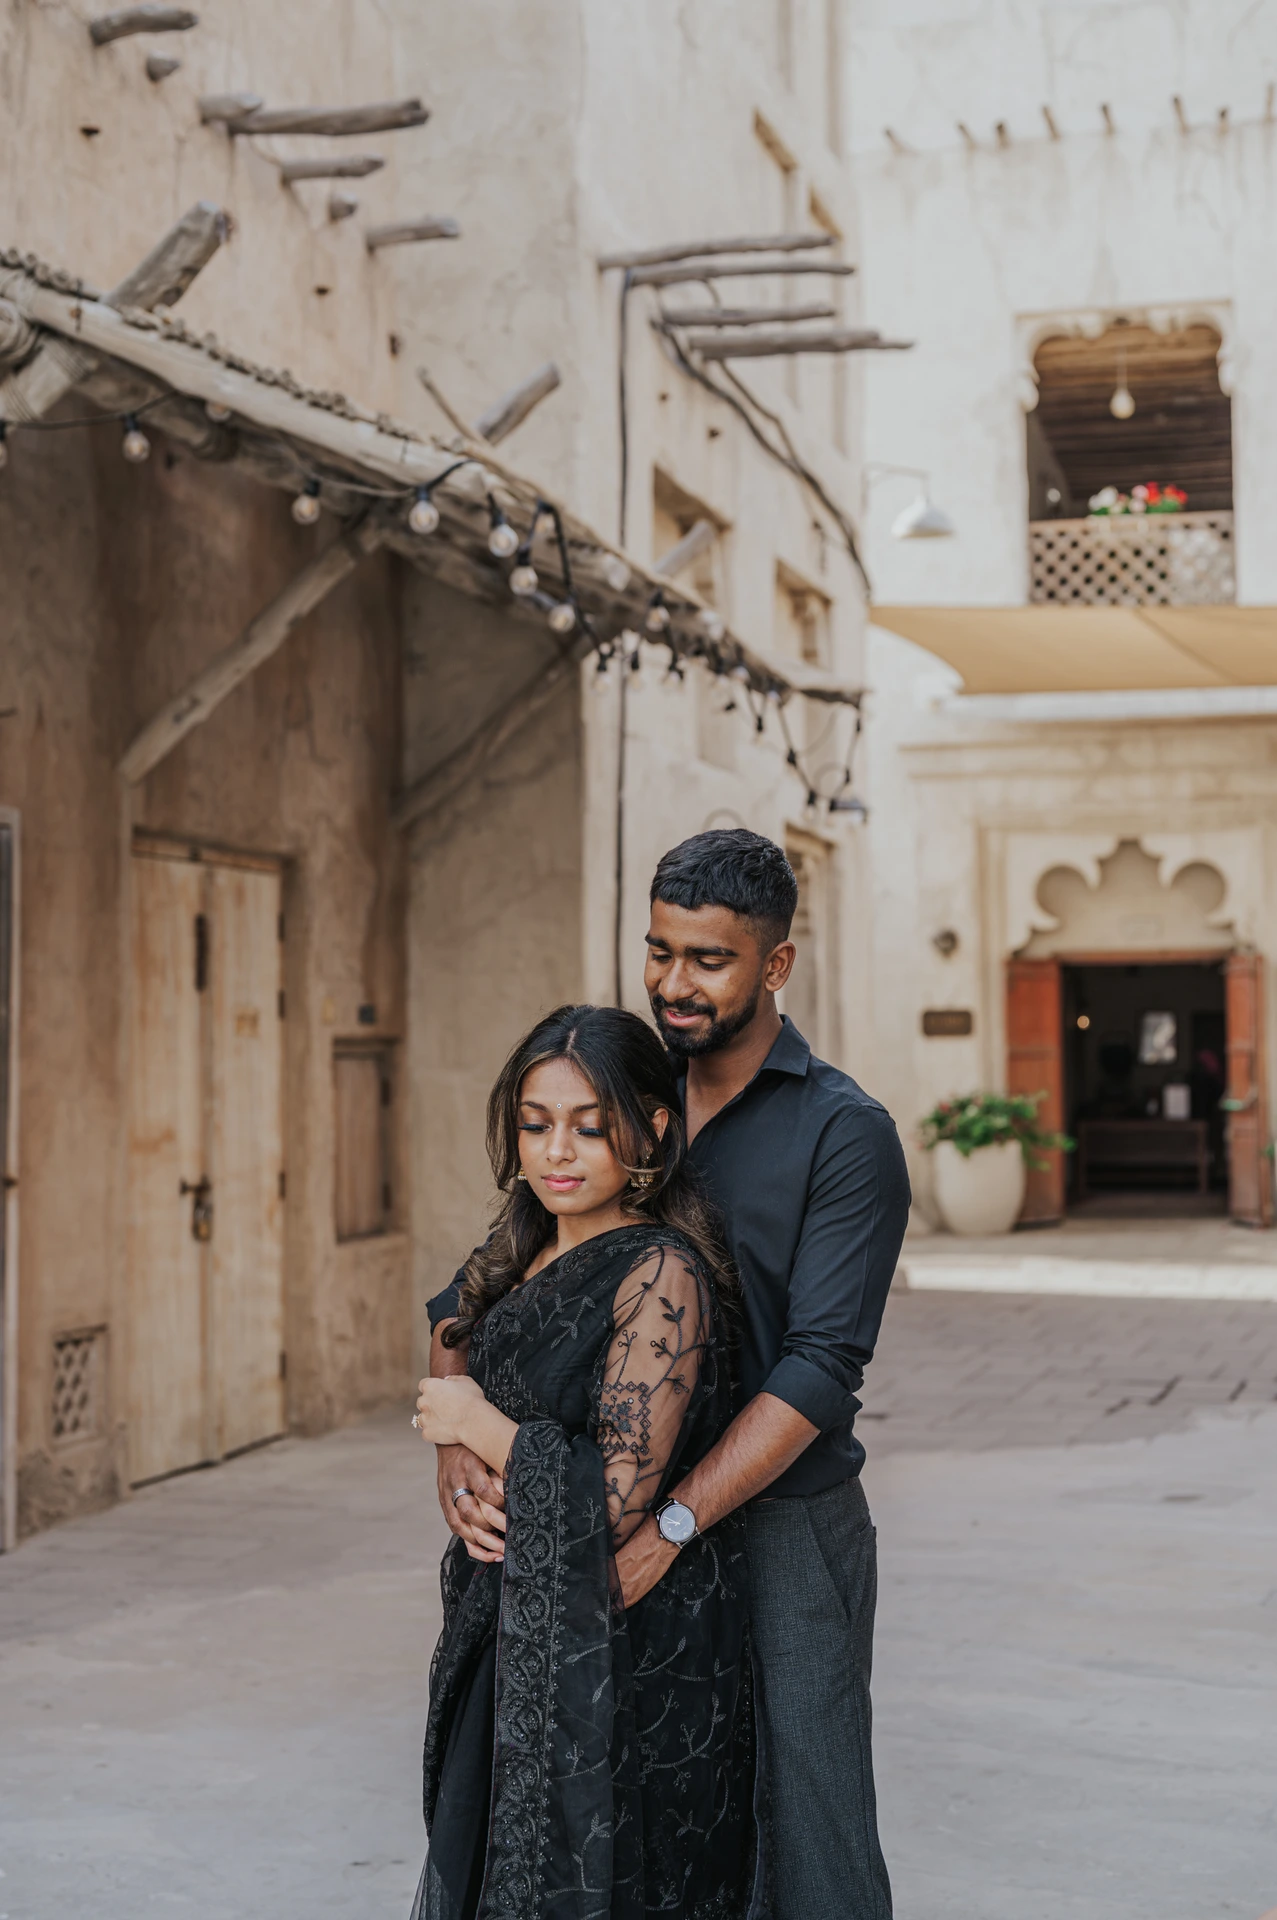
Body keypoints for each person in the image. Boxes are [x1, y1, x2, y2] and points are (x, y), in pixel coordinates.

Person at [432, 828, 910, 1920]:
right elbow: (468, 1298)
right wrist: (460, 1449)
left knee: (808, 1822)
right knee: (639, 1808)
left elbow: (820, 1370)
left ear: (775, 965)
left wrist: (670, 1527)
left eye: (707, 959)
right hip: (602, 1503)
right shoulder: (618, 1093)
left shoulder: (843, 1134)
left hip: (775, 1518)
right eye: (658, 951)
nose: (672, 983)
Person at [410, 1003, 753, 1920]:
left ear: (652, 1130)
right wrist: (451, 1451)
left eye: (589, 1128)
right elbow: (453, 1323)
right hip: (511, 1613)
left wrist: (476, 1426)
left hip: (625, 1648)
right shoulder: (520, 1241)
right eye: (535, 1125)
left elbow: (608, 1503)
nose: (557, 1152)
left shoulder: (657, 1273)